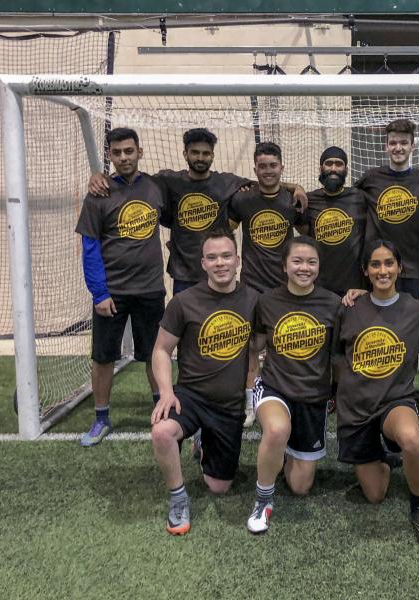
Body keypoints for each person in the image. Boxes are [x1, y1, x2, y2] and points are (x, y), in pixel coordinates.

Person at [87, 127, 308, 293]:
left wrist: (294, 187)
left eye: (205, 153)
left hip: (220, 271)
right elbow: (133, 180)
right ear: (185, 154)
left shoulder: (227, 182)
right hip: (184, 274)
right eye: (195, 152)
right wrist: (100, 176)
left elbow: (266, 180)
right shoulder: (167, 180)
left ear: (212, 155)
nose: (200, 158)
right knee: (186, 336)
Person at [334, 240, 419, 548]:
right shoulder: (350, 308)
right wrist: (335, 395)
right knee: (374, 495)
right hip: (356, 407)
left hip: (395, 400)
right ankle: (383, 458)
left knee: (411, 439)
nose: (382, 270)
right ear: (365, 271)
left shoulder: (416, 311)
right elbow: (337, 356)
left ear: (399, 268)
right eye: (375, 264)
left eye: (388, 263)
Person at [148, 230, 260, 535]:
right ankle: (177, 498)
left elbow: (258, 346)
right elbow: (160, 349)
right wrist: (166, 392)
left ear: (238, 260)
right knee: (162, 432)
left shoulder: (252, 300)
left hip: (228, 405)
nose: (220, 263)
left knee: (219, 487)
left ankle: (203, 443)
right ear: (203, 263)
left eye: (226, 256)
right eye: (212, 257)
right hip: (191, 396)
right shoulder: (184, 301)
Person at [74, 127, 169, 447]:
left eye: (129, 151)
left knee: (155, 354)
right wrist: (99, 293)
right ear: (110, 156)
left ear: (139, 152)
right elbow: (90, 248)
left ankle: (162, 409)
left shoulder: (156, 187)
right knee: (103, 357)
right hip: (111, 294)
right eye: (117, 153)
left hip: (151, 289)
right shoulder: (99, 194)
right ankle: (101, 418)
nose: (124, 157)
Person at [247, 236, 342, 534]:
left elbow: (337, 356)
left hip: (312, 396)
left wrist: (335, 393)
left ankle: (283, 450)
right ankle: (263, 499)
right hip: (274, 387)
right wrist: (250, 388)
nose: (304, 267)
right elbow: (254, 346)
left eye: (311, 262)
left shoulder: (333, 303)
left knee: (301, 487)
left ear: (319, 266)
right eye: (297, 261)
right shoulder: (268, 301)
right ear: (284, 266)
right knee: (276, 429)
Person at [228, 141, 306, 427]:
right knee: (251, 346)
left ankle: (283, 399)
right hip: (251, 285)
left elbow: (309, 236)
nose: (268, 171)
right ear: (255, 169)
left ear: (281, 167)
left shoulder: (292, 201)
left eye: (273, 166)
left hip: (283, 288)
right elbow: (224, 230)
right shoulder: (243, 200)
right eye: (263, 166)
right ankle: (250, 404)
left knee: (282, 345)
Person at [355, 119, 419, 300]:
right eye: (393, 143)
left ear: (412, 146)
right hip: (377, 268)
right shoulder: (371, 178)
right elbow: (345, 199)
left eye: (403, 143)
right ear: (386, 146)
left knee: (409, 324)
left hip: (411, 269)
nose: (398, 148)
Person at [300, 146, 368, 296]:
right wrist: (295, 187)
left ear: (346, 170)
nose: (333, 168)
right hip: (319, 287)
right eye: (329, 163)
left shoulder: (360, 197)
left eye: (339, 164)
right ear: (320, 168)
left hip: (354, 288)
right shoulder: (309, 200)